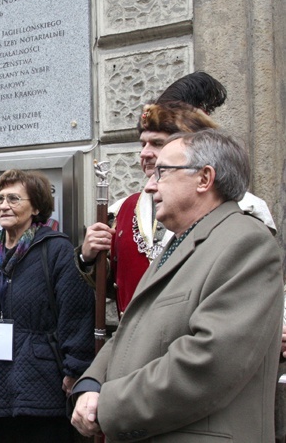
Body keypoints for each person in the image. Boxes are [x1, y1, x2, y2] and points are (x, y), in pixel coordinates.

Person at [70, 130, 283, 441]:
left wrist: (111, 404)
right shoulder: (183, 242)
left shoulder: (245, 242)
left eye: (163, 172)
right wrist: (91, 384)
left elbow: (209, 361)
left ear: (204, 178)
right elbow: (133, 327)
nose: (150, 186)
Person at [76, 73, 275, 317]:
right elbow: (117, 288)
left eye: (157, 143)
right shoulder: (123, 210)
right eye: (143, 144)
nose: (146, 154)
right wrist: (89, 258)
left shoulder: (244, 210)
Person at [0, 169, 94, 442]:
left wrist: (74, 371)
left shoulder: (56, 251)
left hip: (40, 388)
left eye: (14, 199)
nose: (3, 205)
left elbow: (76, 314)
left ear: (37, 207)